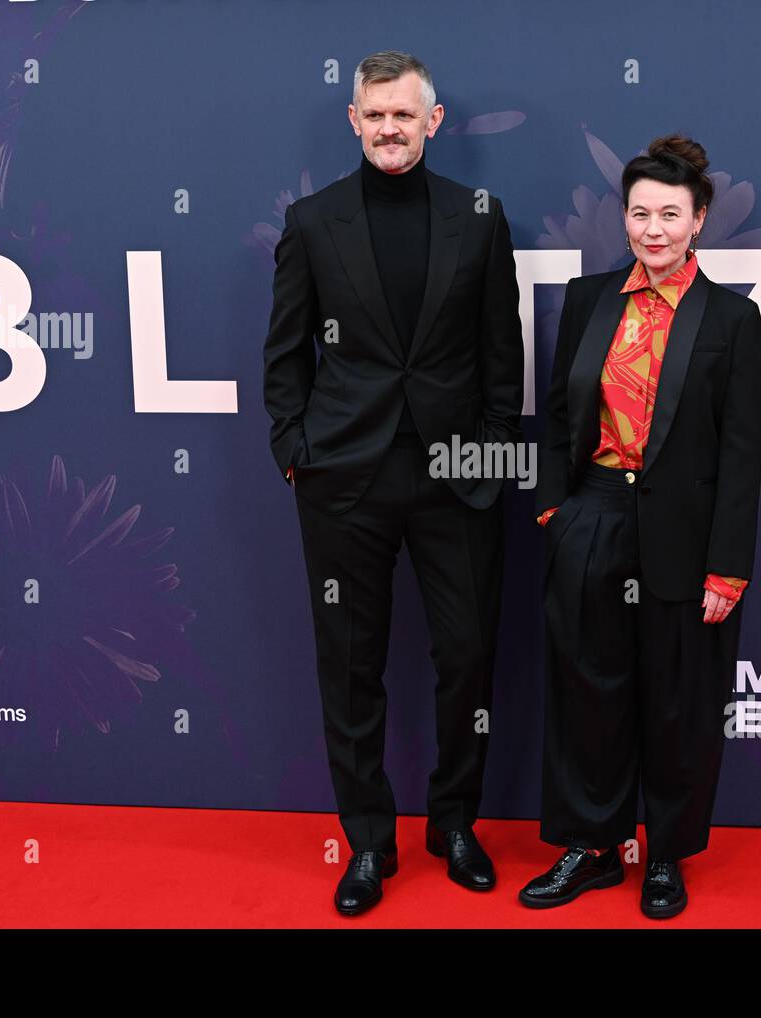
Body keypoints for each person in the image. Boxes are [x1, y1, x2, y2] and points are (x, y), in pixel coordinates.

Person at [262, 51, 524, 916]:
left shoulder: (479, 218)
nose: (388, 129)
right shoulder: (311, 221)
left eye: (403, 116)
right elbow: (285, 354)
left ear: (433, 121)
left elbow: (501, 354)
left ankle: (455, 825)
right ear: (354, 121)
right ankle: (368, 843)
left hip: (457, 478)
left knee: (467, 657)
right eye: (374, 115)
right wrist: (296, 447)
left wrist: (489, 460)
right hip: (344, 480)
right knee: (351, 668)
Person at [519, 134, 761, 919]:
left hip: (685, 537)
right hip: (591, 518)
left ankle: (662, 855)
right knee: (587, 690)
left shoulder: (731, 318)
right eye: (638, 212)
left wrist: (727, 567)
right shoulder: (590, 298)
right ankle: (590, 849)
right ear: (621, 217)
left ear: (698, 221)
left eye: (669, 213)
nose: (651, 229)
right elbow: (558, 415)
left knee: (675, 700)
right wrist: (558, 508)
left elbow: (740, 452)